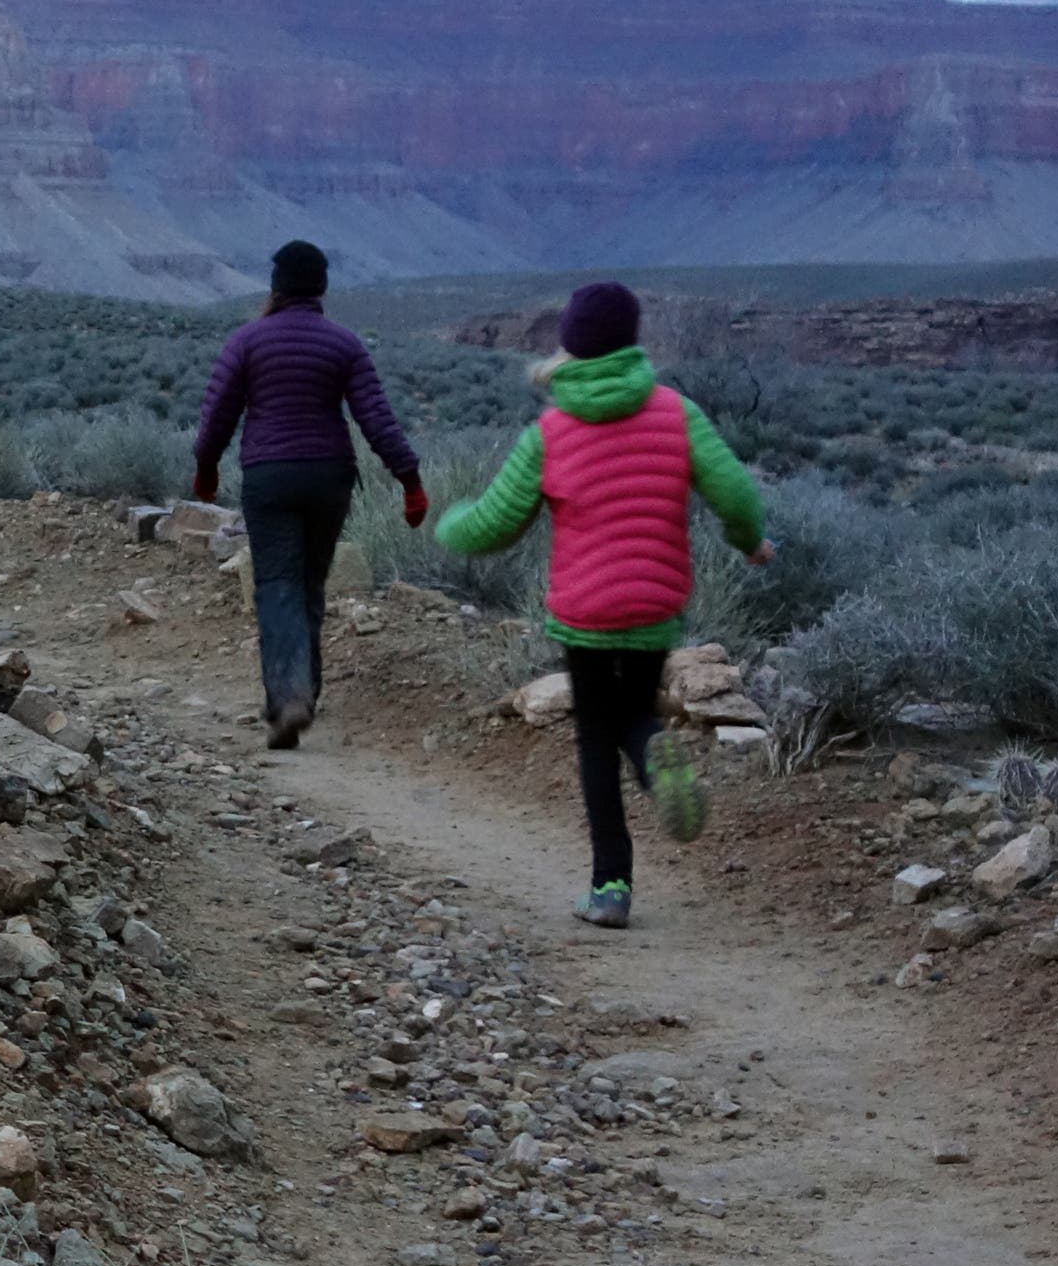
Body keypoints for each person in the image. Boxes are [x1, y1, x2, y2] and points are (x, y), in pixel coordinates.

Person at [434, 280, 772, 929]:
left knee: (595, 737)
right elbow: (735, 493)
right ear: (631, 340)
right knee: (634, 715)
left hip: (584, 612)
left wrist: (447, 525)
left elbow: (494, 525)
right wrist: (750, 541)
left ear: (570, 344)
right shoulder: (676, 413)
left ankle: (610, 885)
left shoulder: (551, 431)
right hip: (654, 604)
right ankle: (655, 760)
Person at [190, 239, 428, 750]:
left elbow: (217, 416)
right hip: (329, 478)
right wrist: (409, 480)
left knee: (277, 583)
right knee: (310, 584)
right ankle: (304, 692)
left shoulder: (247, 341)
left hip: (269, 477)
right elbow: (376, 419)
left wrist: (205, 469)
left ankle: (288, 697)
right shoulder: (344, 344)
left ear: (275, 285)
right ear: (321, 286)